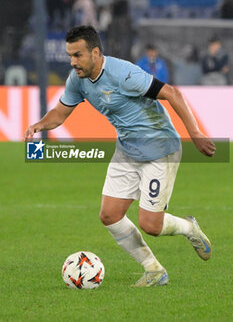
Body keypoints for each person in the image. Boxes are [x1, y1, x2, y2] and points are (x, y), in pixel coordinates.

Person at [24, 26, 216, 287]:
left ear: (95, 52)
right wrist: (39, 125)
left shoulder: (124, 74)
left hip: (160, 150)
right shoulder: (77, 79)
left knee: (151, 225)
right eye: (70, 56)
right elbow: (59, 113)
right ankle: (154, 270)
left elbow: (173, 93)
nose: (72, 62)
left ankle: (189, 228)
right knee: (109, 215)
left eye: (78, 55)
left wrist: (195, 133)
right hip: (127, 149)